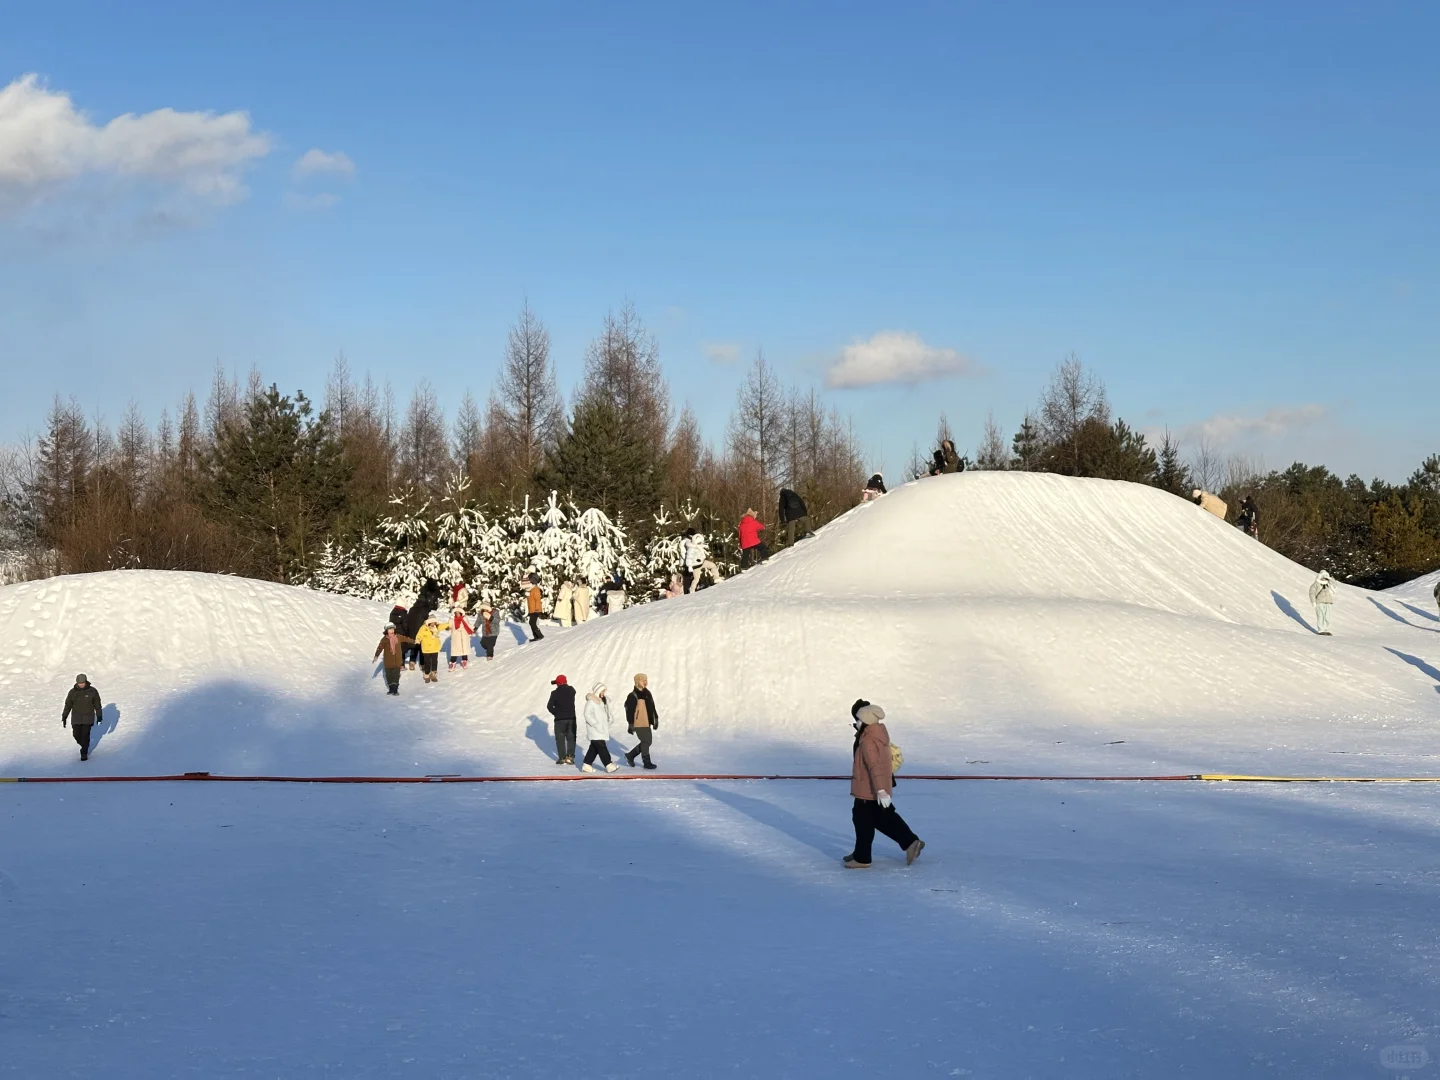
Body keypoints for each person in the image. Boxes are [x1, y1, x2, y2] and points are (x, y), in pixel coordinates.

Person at [843, 699, 923, 869]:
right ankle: (909, 843)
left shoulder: (868, 740)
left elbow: (875, 766)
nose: (856, 723)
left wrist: (881, 790)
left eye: (858, 719)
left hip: (869, 788)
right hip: (871, 785)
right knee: (878, 817)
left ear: (865, 720)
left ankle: (862, 857)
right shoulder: (876, 733)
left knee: (864, 820)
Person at [61, 673, 103, 761]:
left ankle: (84, 752)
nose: (81, 684)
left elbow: (97, 704)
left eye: (83, 683)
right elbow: (68, 705)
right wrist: (64, 716)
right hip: (76, 717)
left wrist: (99, 715)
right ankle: (84, 745)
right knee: (76, 735)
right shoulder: (72, 692)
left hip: (88, 717)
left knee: (85, 734)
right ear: (77, 683)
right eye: (79, 683)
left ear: (86, 682)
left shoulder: (92, 691)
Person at [580, 682, 620, 773]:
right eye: (602, 691)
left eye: (604, 691)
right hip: (594, 729)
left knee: (594, 748)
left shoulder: (601, 702)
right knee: (601, 746)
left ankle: (586, 765)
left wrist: (609, 719)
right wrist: (595, 724)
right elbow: (587, 714)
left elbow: (604, 713)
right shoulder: (591, 702)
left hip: (600, 729)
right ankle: (608, 765)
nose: (604, 693)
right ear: (598, 691)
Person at [624, 673, 659, 770]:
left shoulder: (647, 693)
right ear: (637, 682)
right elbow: (629, 710)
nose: (645, 682)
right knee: (646, 741)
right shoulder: (632, 695)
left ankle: (630, 755)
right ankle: (646, 762)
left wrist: (655, 718)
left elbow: (652, 707)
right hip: (638, 722)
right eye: (643, 680)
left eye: (646, 680)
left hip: (647, 722)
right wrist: (631, 723)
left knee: (647, 742)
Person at [373, 623, 413, 695]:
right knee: (389, 676)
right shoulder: (384, 639)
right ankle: (391, 689)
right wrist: (376, 655)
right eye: (389, 630)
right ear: (386, 631)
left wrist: (414, 641)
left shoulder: (398, 637)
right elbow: (380, 648)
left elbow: (406, 639)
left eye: (392, 629)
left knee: (396, 675)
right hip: (388, 662)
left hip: (397, 661)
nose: (391, 631)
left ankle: (395, 690)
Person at [546, 675, 578, 765]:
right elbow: (569, 689)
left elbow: (549, 706)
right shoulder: (571, 690)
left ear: (558, 684)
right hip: (571, 718)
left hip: (559, 720)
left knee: (560, 738)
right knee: (571, 737)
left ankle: (562, 758)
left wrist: (556, 713)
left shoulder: (554, 693)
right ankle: (570, 757)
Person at [416, 614, 445, 682]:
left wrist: (450, 622)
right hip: (426, 648)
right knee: (427, 662)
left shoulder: (437, 627)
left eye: (434, 622)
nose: (432, 623)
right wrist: (418, 639)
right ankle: (427, 675)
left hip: (435, 648)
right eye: (431, 622)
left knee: (434, 662)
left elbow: (444, 625)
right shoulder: (424, 627)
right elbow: (419, 635)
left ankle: (433, 674)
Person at [1309, 569, 1336, 636]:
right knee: (1320, 616)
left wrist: (1330, 579)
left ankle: (1326, 629)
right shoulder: (1316, 584)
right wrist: (1313, 601)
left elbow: (1335, 585)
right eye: (1323, 576)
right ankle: (1321, 630)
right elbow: (1312, 592)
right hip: (1319, 602)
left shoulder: (1329, 583)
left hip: (1328, 602)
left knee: (1327, 617)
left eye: (1325, 576)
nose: (1324, 578)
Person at [448, 606, 473, 671]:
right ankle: (453, 662)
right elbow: (449, 626)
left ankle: (464, 661)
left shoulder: (465, 619)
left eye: (459, 613)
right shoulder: (452, 620)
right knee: (455, 651)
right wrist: (450, 620)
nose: (457, 614)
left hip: (464, 636)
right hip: (456, 637)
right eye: (456, 613)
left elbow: (468, 625)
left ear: (461, 613)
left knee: (464, 649)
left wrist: (473, 629)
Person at [680, 529, 706, 593]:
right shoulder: (686, 541)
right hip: (686, 562)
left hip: (689, 561)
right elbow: (683, 553)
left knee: (692, 576)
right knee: (687, 577)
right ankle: (687, 592)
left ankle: (691, 589)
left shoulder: (687, 540)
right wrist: (688, 562)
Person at [525, 573, 545, 641]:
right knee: (531, 623)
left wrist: (536, 608)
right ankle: (536, 636)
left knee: (532, 623)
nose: (529, 581)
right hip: (532, 609)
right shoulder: (532, 589)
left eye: (530, 579)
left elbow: (537, 600)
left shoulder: (535, 589)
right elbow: (531, 600)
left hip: (535, 609)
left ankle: (539, 635)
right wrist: (528, 595)